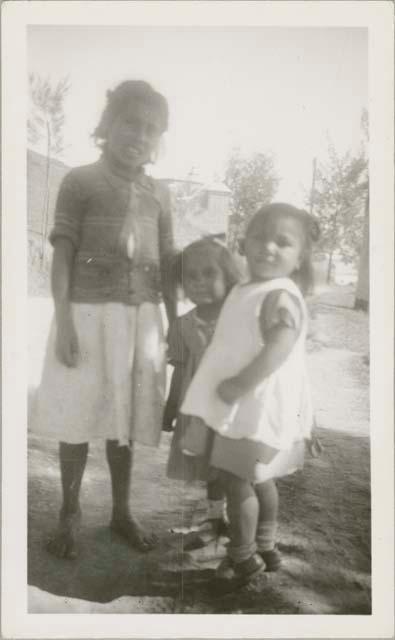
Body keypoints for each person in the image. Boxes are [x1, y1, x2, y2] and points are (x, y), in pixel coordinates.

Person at [34, 80, 176, 559]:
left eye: (151, 129)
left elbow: (171, 263)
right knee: (76, 418)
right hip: (86, 316)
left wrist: (174, 324)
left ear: (160, 140)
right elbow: (63, 255)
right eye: (130, 123)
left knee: (124, 421)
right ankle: (69, 512)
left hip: (141, 322)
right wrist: (65, 322)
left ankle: (121, 512)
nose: (139, 135)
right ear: (107, 126)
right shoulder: (79, 181)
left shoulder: (161, 194)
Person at [181, 203, 320, 586]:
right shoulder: (248, 288)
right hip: (250, 403)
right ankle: (266, 543)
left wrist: (240, 384)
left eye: (282, 242)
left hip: (254, 402)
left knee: (235, 480)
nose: (267, 247)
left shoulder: (279, 294)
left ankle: (242, 556)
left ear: (299, 258)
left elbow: (280, 346)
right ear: (244, 242)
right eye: (259, 237)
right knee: (259, 478)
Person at [163, 237, 241, 544]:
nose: (199, 283)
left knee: (234, 467)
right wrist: (170, 408)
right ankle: (214, 517)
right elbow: (180, 369)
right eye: (191, 277)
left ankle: (246, 529)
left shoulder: (238, 317)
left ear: (228, 275)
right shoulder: (182, 325)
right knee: (210, 465)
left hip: (233, 405)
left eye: (209, 274)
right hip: (199, 408)